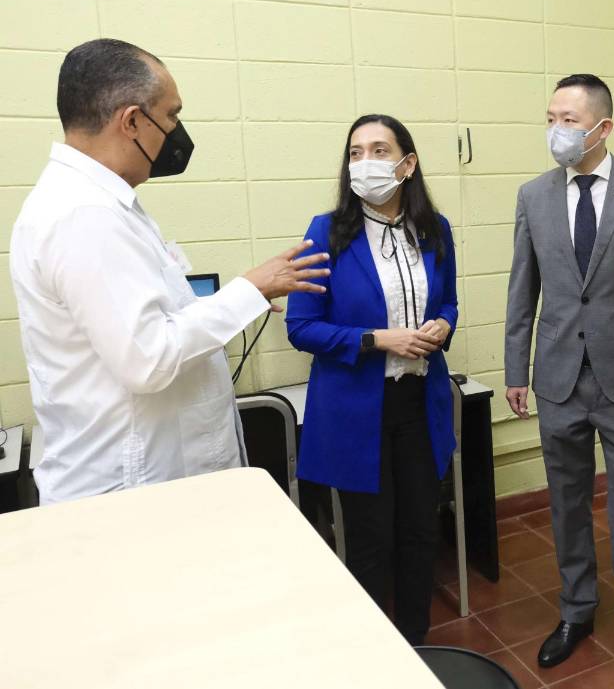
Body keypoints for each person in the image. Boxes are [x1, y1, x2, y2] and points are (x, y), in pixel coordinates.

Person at [8, 39, 328, 506]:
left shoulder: (100, 203)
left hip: (149, 482)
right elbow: (149, 358)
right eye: (172, 116)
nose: (177, 131)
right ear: (132, 121)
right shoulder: (83, 214)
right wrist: (247, 291)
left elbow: (141, 326)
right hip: (131, 493)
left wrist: (240, 297)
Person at [504, 74, 614, 676]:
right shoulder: (533, 196)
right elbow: (521, 291)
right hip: (558, 377)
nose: (557, 130)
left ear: (602, 128)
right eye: (550, 118)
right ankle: (577, 609)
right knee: (567, 500)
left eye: (569, 120)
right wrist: (516, 369)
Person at [286, 114, 458, 646]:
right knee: (371, 542)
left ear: (406, 164)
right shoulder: (326, 232)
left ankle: (416, 646)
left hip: (420, 404)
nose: (364, 162)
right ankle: (376, 654)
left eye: (379, 151)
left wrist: (444, 324)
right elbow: (301, 327)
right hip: (359, 412)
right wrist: (377, 339)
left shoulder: (434, 229)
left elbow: (449, 300)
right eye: (355, 153)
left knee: (421, 533)